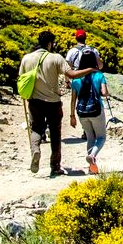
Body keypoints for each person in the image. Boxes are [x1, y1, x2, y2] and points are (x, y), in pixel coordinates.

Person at [17, 30, 96, 177]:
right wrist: (90, 69)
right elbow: (71, 74)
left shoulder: (26, 58)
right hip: (53, 102)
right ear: (49, 43)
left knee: (36, 129)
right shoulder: (55, 58)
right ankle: (55, 166)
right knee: (55, 133)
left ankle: (35, 150)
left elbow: (21, 78)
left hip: (34, 101)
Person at [69, 48, 109, 174]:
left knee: (90, 137)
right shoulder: (99, 75)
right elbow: (104, 93)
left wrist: (72, 116)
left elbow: (73, 99)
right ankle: (92, 156)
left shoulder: (76, 79)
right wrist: (107, 92)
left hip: (81, 112)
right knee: (101, 137)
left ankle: (91, 167)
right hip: (96, 110)